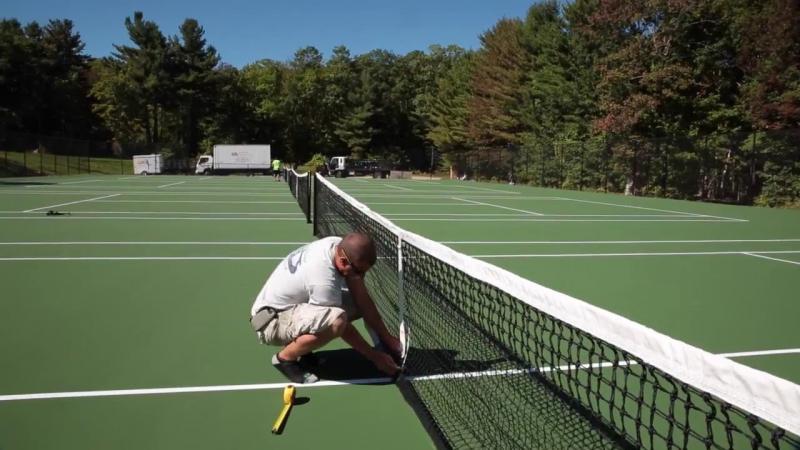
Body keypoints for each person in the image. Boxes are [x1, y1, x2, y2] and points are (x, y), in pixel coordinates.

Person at [250, 233, 402, 383]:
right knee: (337, 321)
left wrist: (387, 338)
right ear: (343, 261)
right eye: (359, 271)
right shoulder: (323, 279)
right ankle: (285, 358)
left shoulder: (337, 246)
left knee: (356, 304)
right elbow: (340, 325)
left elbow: (362, 300)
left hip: (289, 307)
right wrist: (374, 357)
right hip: (271, 323)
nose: (361, 276)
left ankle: (302, 348)